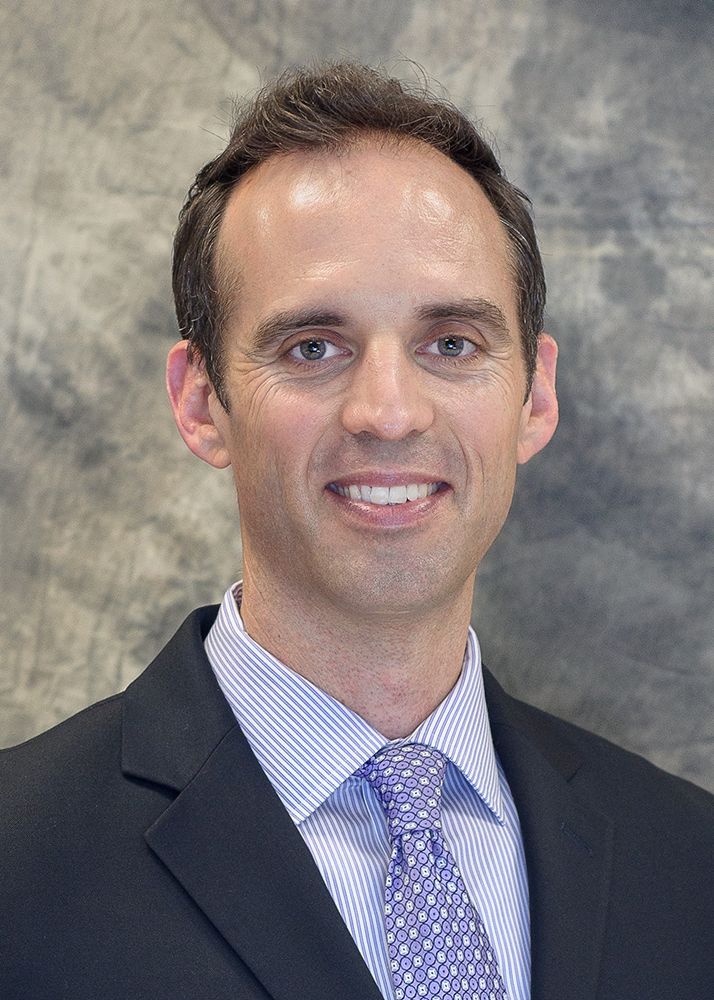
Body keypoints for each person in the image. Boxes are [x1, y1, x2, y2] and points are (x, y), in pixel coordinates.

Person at [2, 62, 713, 1000]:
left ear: (534, 396)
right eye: (313, 347)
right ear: (202, 401)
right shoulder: (18, 863)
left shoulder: (689, 863)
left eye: (451, 343)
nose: (388, 412)